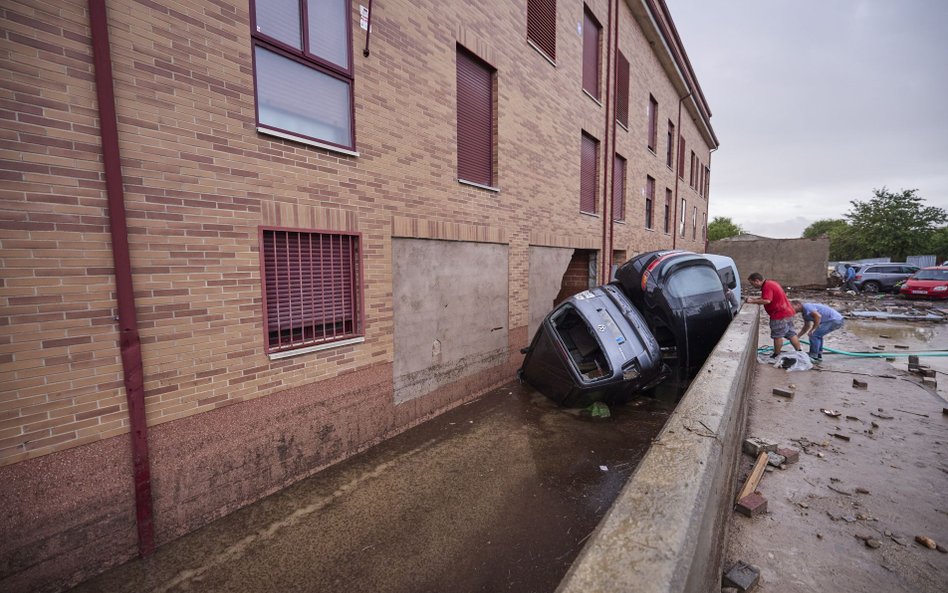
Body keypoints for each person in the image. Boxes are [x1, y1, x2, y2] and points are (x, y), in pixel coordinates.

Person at [745, 272, 803, 357]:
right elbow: (767, 298)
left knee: (777, 336)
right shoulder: (771, 283)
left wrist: (752, 301)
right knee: (791, 333)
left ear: (757, 281)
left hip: (779, 315)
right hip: (788, 312)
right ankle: (799, 351)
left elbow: (767, 300)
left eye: (752, 283)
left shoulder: (766, 286)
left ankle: (776, 355)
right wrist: (755, 299)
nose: (752, 285)